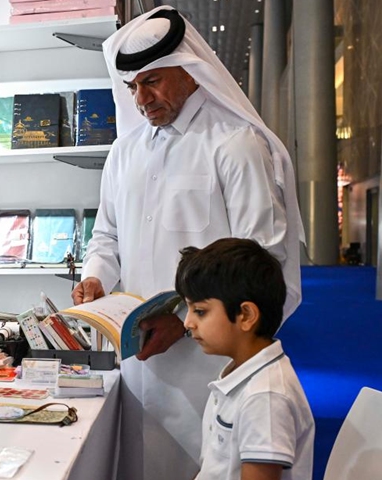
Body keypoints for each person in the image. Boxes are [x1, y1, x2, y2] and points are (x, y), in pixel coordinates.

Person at [72, 6, 305, 480]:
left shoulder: (235, 145)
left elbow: (262, 260)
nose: (141, 99)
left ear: (189, 68)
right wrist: (95, 276)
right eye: (133, 86)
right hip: (137, 352)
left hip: (208, 359)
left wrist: (182, 322)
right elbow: (107, 234)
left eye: (153, 81)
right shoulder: (125, 152)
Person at [176, 238, 314, 480]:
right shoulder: (240, 371)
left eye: (200, 311)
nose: (188, 323)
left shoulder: (265, 397)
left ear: (246, 315)